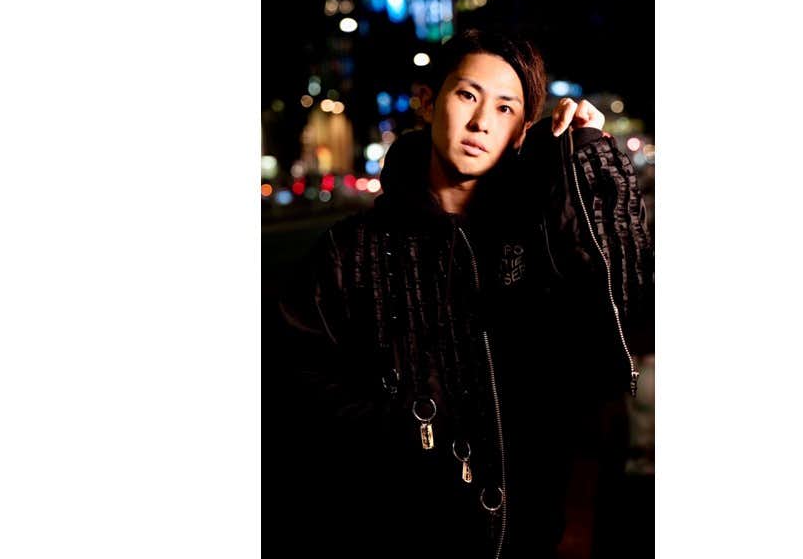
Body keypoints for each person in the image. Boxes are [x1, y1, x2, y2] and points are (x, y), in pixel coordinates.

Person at [275, 28, 653, 558]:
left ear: (521, 132)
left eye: (505, 108)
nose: (481, 122)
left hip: (530, 537)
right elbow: (294, 391)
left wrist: (590, 159)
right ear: (428, 102)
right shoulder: (349, 250)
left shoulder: (537, 241)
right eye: (467, 95)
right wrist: (404, 432)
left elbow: (622, 309)